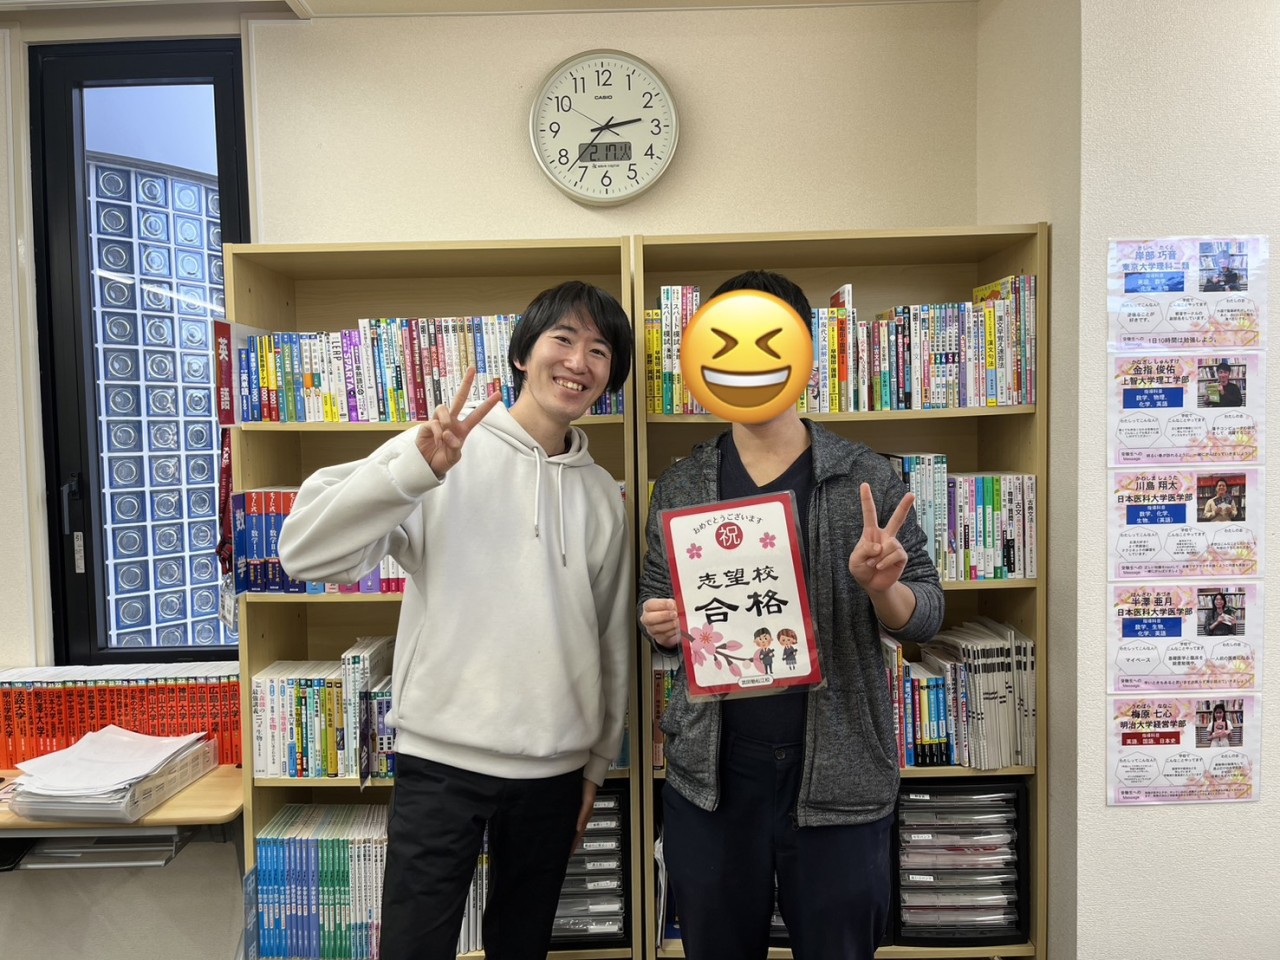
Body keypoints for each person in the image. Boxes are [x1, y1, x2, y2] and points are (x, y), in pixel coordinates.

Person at [278, 281, 634, 960]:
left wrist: (594, 766)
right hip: (441, 762)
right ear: (523, 354)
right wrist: (413, 470)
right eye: (563, 339)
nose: (578, 362)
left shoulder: (600, 494)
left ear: (609, 375)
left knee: (522, 946)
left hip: (556, 772)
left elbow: (611, 638)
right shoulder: (443, 450)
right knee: (414, 946)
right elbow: (306, 554)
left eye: (598, 350)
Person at [638, 270, 944, 960]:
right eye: (725, 342)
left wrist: (883, 589)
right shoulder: (682, 484)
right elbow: (656, 602)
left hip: (840, 774)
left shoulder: (863, 475)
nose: (747, 360)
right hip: (713, 779)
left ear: (805, 352)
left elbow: (924, 613)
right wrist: (658, 621)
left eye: (769, 340)